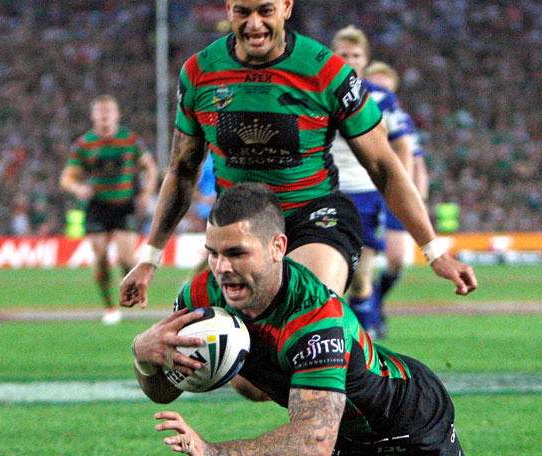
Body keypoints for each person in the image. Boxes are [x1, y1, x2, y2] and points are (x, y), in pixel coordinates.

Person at [131, 184, 542, 456]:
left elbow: (312, 443)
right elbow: (165, 388)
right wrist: (145, 359)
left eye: (236, 252)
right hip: (340, 427)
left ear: (278, 248)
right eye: (212, 253)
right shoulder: (199, 296)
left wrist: (215, 454)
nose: (222, 268)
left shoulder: (316, 317)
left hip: (402, 413)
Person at [119, 0, 476, 315]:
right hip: (240, 227)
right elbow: (182, 169)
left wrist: (434, 251)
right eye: (242, 12)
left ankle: (367, 377)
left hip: (315, 218)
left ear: (286, 9)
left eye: (265, 11)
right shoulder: (199, 72)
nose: (253, 23)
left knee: (306, 313)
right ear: (229, 9)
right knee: (248, 379)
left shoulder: (327, 71)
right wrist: (149, 259)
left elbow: (383, 166)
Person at [329, 27, 414, 337]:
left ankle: (364, 358)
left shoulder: (379, 97)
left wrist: (396, 186)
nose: (350, 61)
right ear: (332, 57)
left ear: (365, 59)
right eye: (343, 55)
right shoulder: (319, 92)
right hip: (327, 193)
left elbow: (402, 145)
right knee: (328, 279)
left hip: (366, 196)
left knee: (363, 278)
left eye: (356, 55)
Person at [61, 94, 158, 325]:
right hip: (97, 205)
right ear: (93, 116)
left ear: (117, 115)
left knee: (126, 257)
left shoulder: (129, 139)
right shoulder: (84, 144)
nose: (105, 116)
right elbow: (67, 177)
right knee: (101, 257)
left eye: (109, 111)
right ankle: (110, 307)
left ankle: (134, 293)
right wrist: (77, 188)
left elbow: (149, 167)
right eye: (100, 112)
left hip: (124, 204)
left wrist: (146, 192)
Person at [365, 60, 430, 339]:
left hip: (394, 191)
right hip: (363, 190)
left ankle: (376, 303)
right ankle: (365, 315)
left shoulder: (402, 121)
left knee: (397, 260)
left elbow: (417, 161)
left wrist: (417, 196)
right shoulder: (353, 111)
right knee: (360, 264)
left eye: (386, 89)